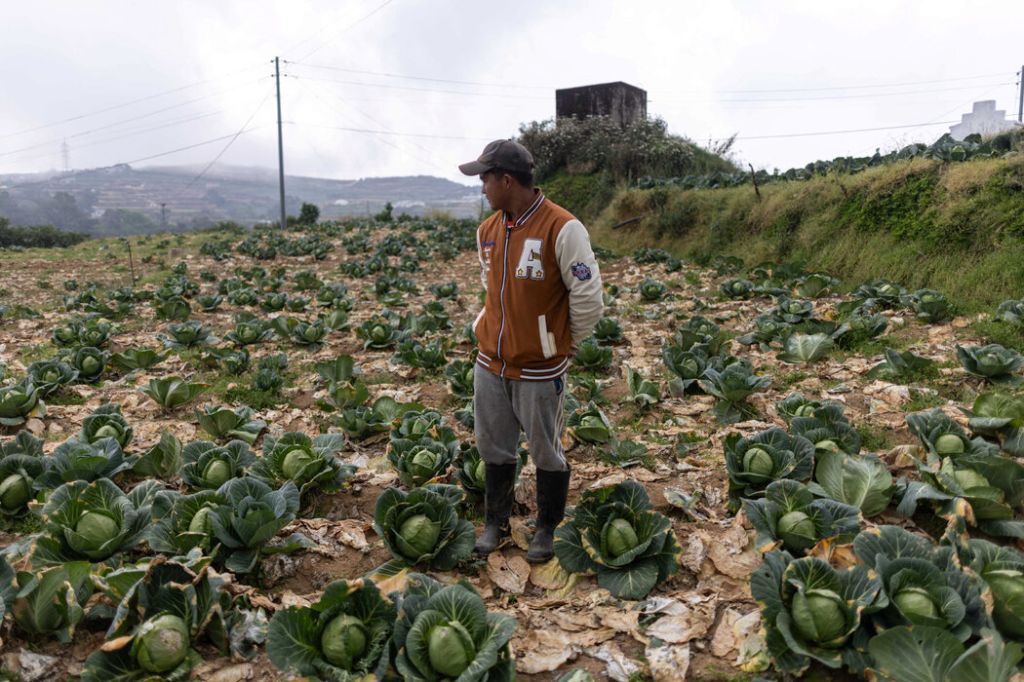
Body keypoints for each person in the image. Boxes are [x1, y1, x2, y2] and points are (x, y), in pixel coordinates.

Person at [459, 139, 604, 563]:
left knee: (545, 450)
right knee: (493, 446)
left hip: (540, 369)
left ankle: (546, 526)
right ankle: (496, 522)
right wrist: (484, 328)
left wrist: (559, 343)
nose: (482, 187)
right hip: (491, 362)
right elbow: (491, 288)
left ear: (507, 180)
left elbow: (588, 296)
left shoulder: (563, 228)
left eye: (486, 178)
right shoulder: (487, 231)